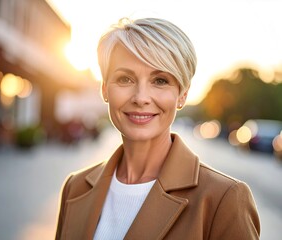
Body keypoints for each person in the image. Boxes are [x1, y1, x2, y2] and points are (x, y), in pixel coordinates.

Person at [55, 17, 260, 240]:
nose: (141, 98)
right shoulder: (75, 187)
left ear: (182, 94)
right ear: (104, 89)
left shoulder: (224, 199)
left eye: (160, 80)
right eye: (125, 79)